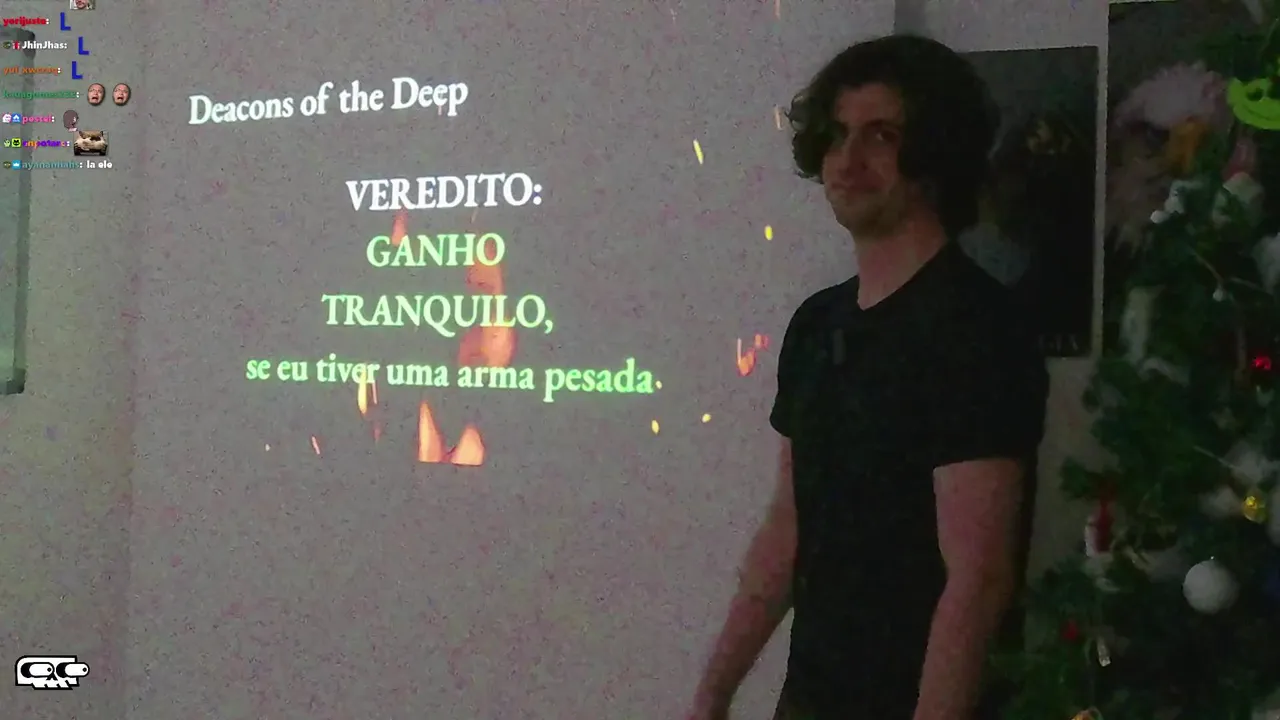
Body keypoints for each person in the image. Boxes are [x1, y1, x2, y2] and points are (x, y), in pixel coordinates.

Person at [685, 34, 1049, 720]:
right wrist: (712, 693)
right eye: (837, 134)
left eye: (881, 135)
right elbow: (788, 527)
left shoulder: (974, 328)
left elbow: (978, 579)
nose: (848, 160)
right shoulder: (817, 324)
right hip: (813, 696)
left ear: (934, 152)